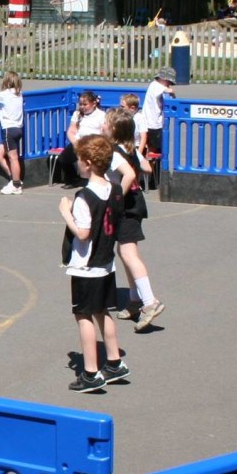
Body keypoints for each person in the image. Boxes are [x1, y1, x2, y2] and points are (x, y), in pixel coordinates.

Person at [59, 134, 128, 393]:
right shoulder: (115, 189)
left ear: (87, 163)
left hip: (87, 265)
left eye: (78, 159)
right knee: (103, 311)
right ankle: (114, 361)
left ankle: (90, 371)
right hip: (106, 262)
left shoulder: (84, 197)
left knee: (83, 314)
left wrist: (66, 214)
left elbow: (83, 232)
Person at [105, 108, 164, 329]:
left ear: (113, 130)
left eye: (105, 124)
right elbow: (147, 168)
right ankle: (134, 299)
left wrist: (117, 196)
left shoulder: (114, 152)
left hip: (126, 206)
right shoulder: (129, 149)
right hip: (136, 203)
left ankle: (150, 301)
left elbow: (130, 174)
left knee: (129, 253)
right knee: (125, 251)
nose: (102, 126)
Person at [137, 66, 177, 191]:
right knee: (153, 152)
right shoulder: (156, 86)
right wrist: (171, 90)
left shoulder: (155, 86)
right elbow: (168, 91)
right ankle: (148, 177)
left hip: (152, 122)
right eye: (168, 81)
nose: (169, 84)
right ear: (163, 78)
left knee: (155, 151)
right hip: (153, 124)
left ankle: (151, 177)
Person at [56, 90, 106, 187]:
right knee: (64, 159)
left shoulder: (101, 115)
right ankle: (72, 179)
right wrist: (75, 142)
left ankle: (91, 179)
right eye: (81, 104)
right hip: (78, 142)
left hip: (93, 143)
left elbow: (103, 133)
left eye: (85, 104)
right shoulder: (77, 114)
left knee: (92, 162)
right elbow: (71, 130)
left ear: (94, 103)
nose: (82, 107)